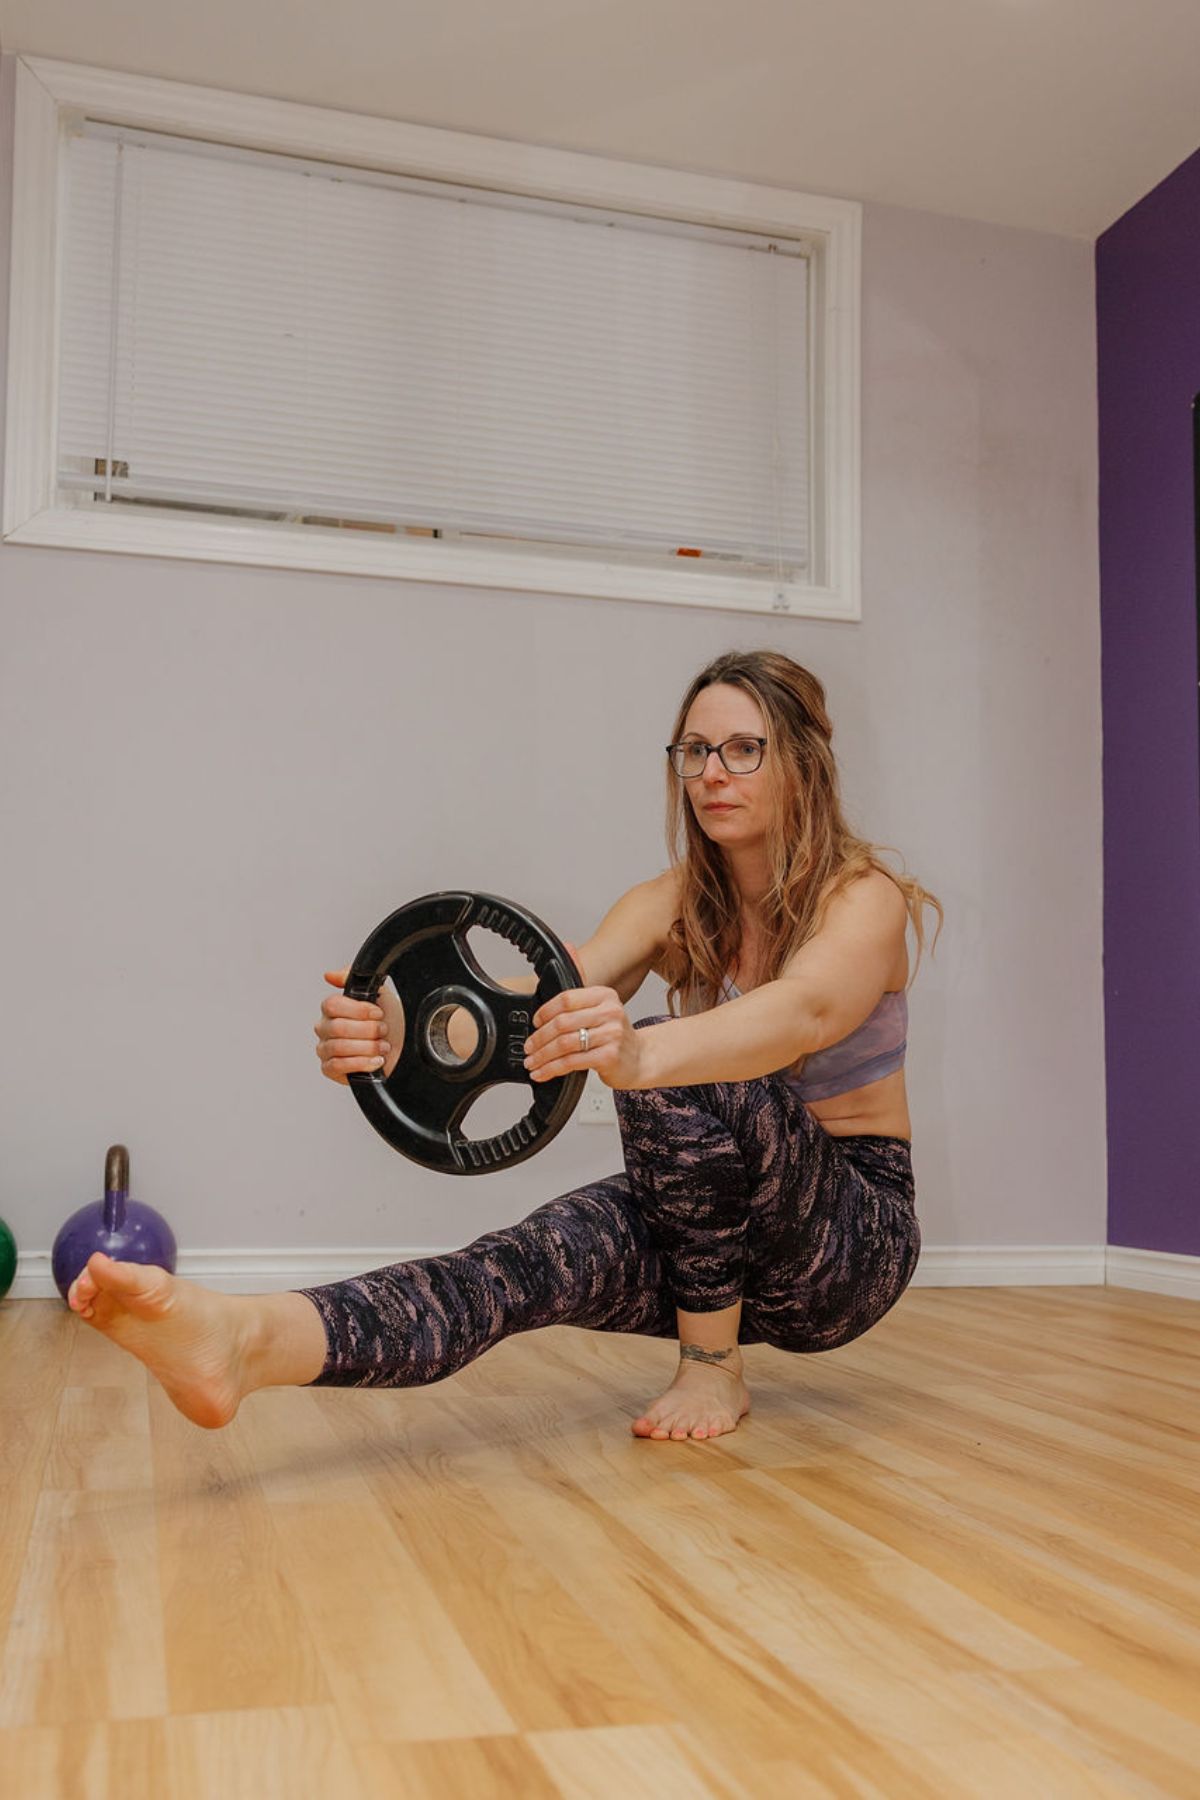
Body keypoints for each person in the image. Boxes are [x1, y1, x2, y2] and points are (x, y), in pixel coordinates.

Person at [67, 650, 940, 1442]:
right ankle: (245, 1342)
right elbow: (539, 1003)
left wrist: (642, 1059)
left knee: (673, 1054)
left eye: (744, 749)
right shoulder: (673, 902)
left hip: (845, 1247)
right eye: (694, 750)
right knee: (519, 1263)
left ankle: (711, 1366)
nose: (712, 773)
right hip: (720, 1231)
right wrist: (397, 1036)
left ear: (804, 762)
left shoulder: (862, 898)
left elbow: (804, 1012)